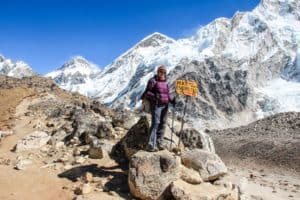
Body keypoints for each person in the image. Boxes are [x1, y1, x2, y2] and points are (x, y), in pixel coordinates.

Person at [142, 65, 175, 151]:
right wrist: (154, 96)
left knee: (163, 124)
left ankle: (159, 142)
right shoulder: (152, 81)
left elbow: (167, 94)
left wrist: (172, 100)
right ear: (157, 72)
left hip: (165, 105)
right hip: (156, 105)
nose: (162, 73)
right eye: (161, 71)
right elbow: (147, 93)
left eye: (164, 72)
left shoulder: (166, 82)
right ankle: (151, 145)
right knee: (155, 123)